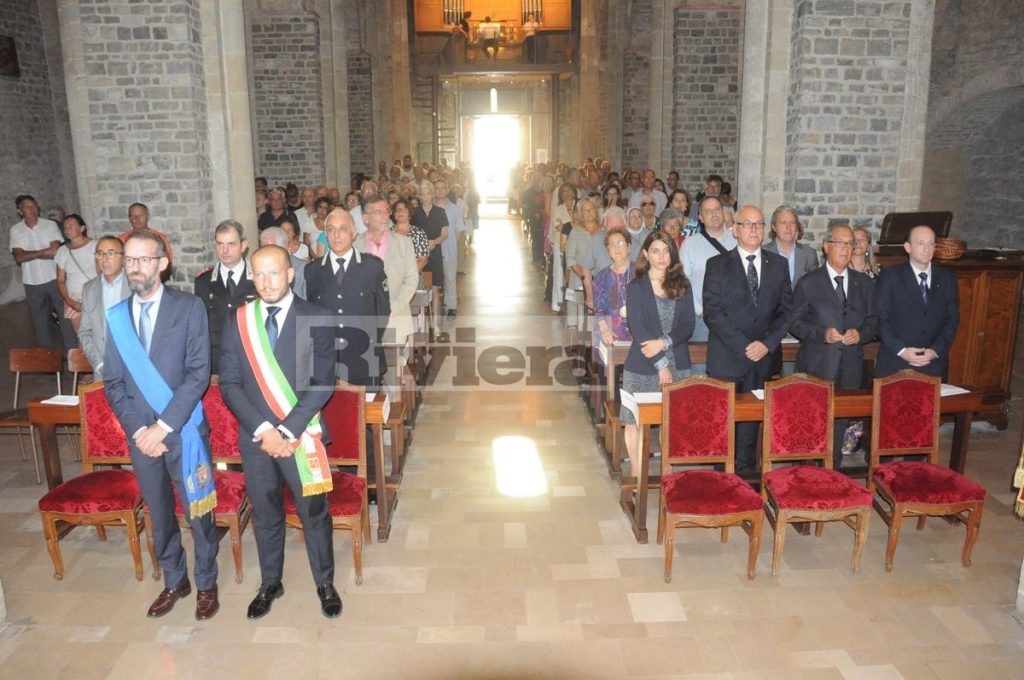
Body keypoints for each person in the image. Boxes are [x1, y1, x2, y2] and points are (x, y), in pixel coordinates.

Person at [218, 244, 341, 620]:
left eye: (275, 272)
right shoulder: (239, 320)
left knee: (313, 512)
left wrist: (286, 431)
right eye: (259, 274)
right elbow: (230, 383)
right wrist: (263, 430)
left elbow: (323, 383)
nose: (267, 281)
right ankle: (271, 581)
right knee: (266, 512)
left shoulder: (316, 316)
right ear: (251, 276)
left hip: (301, 435)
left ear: (290, 273)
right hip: (256, 440)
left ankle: (324, 582)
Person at [102, 230, 219, 620]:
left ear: (162, 263)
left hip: (182, 432)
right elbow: (114, 383)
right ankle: (175, 581)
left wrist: (163, 427)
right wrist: (139, 431)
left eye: (143, 259)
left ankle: (206, 583)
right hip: (142, 439)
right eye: (129, 259)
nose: (134, 267)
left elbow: (198, 373)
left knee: (198, 514)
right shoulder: (117, 318)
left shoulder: (188, 307)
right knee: (160, 513)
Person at [703, 205, 793, 473]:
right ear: (736, 229)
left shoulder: (778, 265)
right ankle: (722, 480)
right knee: (725, 421)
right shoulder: (717, 265)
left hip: (763, 360)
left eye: (759, 224)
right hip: (728, 357)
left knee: (752, 424)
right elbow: (713, 312)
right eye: (748, 223)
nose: (754, 229)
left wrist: (766, 344)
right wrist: (745, 345)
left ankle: (746, 479)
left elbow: (786, 311)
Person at [790, 224, 878, 467]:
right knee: (811, 421)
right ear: (826, 246)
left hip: (849, 366)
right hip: (816, 364)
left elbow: (873, 322)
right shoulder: (808, 282)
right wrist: (821, 333)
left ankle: (833, 469)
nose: (844, 248)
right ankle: (807, 472)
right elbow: (795, 322)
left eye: (849, 243)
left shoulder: (864, 283)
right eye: (838, 242)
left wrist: (860, 334)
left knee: (839, 422)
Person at [620, 232, 695, 475]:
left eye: (666, 250)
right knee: (635, 421)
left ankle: (667, 474)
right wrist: (661, 365)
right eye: (655, 251)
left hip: (678, 361)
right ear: (645, 254)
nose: (661, 256)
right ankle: (635, 474)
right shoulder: (637, 287)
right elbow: (638, 329)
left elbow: (687, 325)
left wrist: (664, 343)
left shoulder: (682, 284)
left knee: (670, 422)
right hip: (643, 363)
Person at [304, 209, 390, 387]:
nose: (336, 235)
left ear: (353, 233)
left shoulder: (371, 267)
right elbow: (311, 314)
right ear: (325, 234)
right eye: (331, 229)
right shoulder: (313, 270)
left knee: (367, 411)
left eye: (343, 229)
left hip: (365, 358)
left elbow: (382, 311)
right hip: (327, 361)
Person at [875, 225, 959, 379]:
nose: (927, 249)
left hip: (933, 363)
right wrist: (902, 350)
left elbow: (952, 319)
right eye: (921, 243)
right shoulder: (890, 277)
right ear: (908, 247)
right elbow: (881, 319)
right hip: (896, 362)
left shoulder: (947, 278)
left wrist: (935, 351)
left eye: (931, 243)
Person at [10, 194, 75, 349]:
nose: (33, 209)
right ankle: (48, 358)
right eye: (28, 207)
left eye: (34, 206)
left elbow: (54, 252)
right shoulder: (16, 230)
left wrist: (29, 254)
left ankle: (73, 354)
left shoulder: (49, 225)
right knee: (39, 320)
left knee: (65, 316)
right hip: (31, 281)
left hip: (54, 277)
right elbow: (18, 258)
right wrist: (42, 252)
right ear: (20, 211)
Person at [194, 220, 258, 374]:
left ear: (243, 246)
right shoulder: (203, 281)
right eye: (220, 244)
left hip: (252, 361)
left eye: (231, 244)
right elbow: (200, 327)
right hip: (218, 364)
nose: (224, 250)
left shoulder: (258, 277)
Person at [355, 195, 419, 347]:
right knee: (366, 366)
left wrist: (392, 308)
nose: (385, 217)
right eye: (378, 212)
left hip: (394, 316)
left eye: (386, 211)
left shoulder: (403, 243)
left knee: (392, 367)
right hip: (363, 319)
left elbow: (411, 279)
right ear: (366, 218)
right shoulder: (354, 246)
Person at [679, 196, 737, 351]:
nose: (714, 214)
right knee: (701, 368)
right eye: (708, 211)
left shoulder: (737, 240)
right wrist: (699, 310)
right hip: (702, 319)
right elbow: (682, 282)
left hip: (735, 318)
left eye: (717, 209)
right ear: (700, 218)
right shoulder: (690, 244)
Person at [77, 235, 129, 377]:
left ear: (123, 258)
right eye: (100, 254)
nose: (104, 258)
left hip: (135, 368)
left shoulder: (136, 286)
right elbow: (85, 331)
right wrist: (99, 364)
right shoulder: (89, 289)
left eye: (110, 253)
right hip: (104, 370)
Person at [592, 230, 634, 363]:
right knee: (605, 356)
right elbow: (598, 309)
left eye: (621, 243)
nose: (617, 248)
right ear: (608, 251)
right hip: (610, 332)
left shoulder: (641, 272)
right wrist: (605, 329)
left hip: (638, 333)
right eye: (612, 244)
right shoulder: (602, 277)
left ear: (629, 247)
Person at [54, 214, 96, 336]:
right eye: (65, 227)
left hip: (94, 297)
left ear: (82, 228)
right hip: (73, 298)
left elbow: (103, 273)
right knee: (81, 335)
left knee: (99, 334)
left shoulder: (95, 246)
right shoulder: (62, 251)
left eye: (71, 226)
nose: (67, 229)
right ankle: (82, 355)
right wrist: (69, 301)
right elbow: (60, 280)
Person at [763, 205, 819, 287]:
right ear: (774, 227)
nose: (788, 227)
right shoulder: (763, 253)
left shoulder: (809, 254)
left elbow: (814, 287)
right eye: (783, 222)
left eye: (792, 223)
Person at [435, 177, 464, 319]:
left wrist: (454, 242)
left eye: (443, 188)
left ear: (447, 191)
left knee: (450, 279)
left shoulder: (454, 208)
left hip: (450, 248)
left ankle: (451, 306)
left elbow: (459, 229)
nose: (440, 191)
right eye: (437, 188)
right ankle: (437, 305)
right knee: (436, 280)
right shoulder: (430, 208)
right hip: (434, 249)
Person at [118, 202, 174, 269]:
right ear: (129, 218)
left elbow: (168, 263)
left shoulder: (160, 238)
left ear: (148, 217)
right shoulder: (121, 240)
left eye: (141, 215)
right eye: (132, 216)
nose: (137, 219)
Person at [259, 226, 307, 300]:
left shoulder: (303, 268)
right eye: (263, 249)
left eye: (270, 249)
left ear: (284, 247)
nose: (265, 253)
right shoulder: (258, 268)